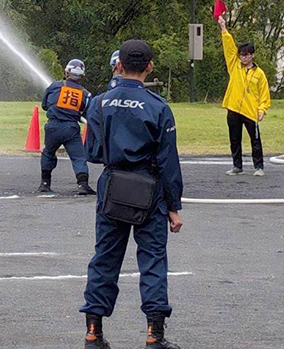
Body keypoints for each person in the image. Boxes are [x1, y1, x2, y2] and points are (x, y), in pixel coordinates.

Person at [80, 39, 183, 349]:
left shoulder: (99, 103)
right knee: (152, 260)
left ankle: (93, 332)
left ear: (119, 65)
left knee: (105, 258)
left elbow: (93, 152)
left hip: (112, 186)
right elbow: (168, 162)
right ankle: (154, 334)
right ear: (149, 67)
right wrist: (174, 206)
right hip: (149, 189)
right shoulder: (159, 106)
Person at [218, 16, 271, 177]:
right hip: (234, 107)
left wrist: (262, 109)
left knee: (255, 140)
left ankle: (259, 166)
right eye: (241, 55)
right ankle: (237, 165)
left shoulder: (259, 74)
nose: (244, 57)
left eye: (247, 55)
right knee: (234, 139)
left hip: (250, 110)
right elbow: (228, 47)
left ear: (252, 55)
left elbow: (264, 94)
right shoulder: (234, 66)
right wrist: (223, 28)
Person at [40, 59, 94, 195]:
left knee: (48, 153)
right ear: (82, 76)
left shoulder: (54, 86)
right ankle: (83, 185)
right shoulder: (86, 94)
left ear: (66, 72)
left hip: (52, 126)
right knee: (78, 157)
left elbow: (45, 105)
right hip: (71, 128)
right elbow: (88, 113)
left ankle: (45, 183)